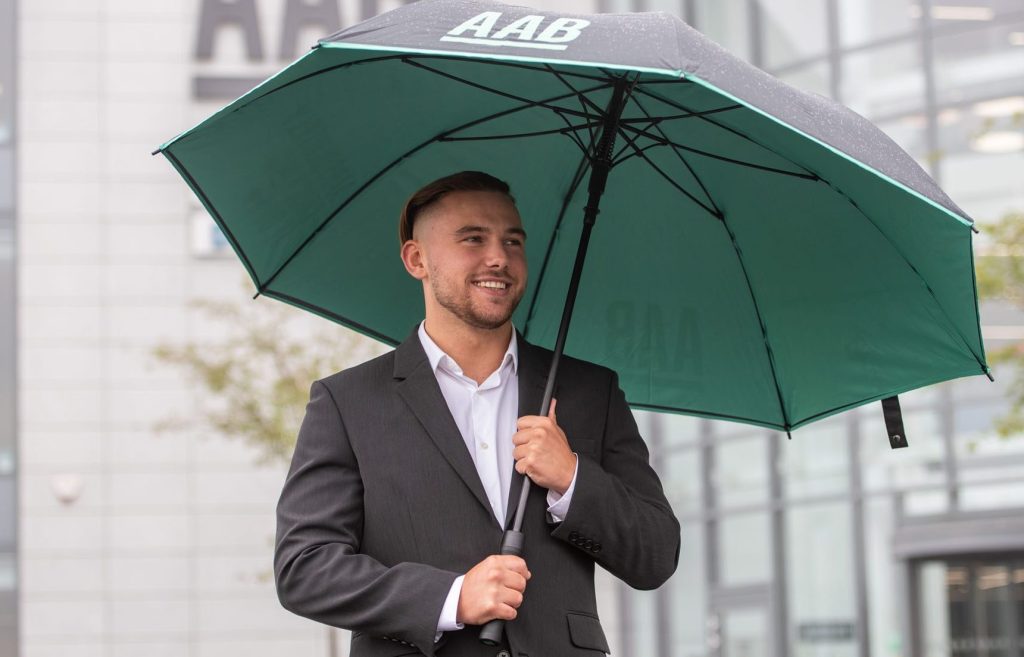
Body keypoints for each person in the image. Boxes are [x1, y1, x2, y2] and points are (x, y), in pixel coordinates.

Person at [274, 171, 680, 657]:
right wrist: (450, 598)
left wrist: (572, 478)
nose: (499, 258)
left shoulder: (591, 392)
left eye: (513, 241)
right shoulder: (348, 402)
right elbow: (305, 567)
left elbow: (656, 554)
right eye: (473, 239)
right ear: (417, 259)